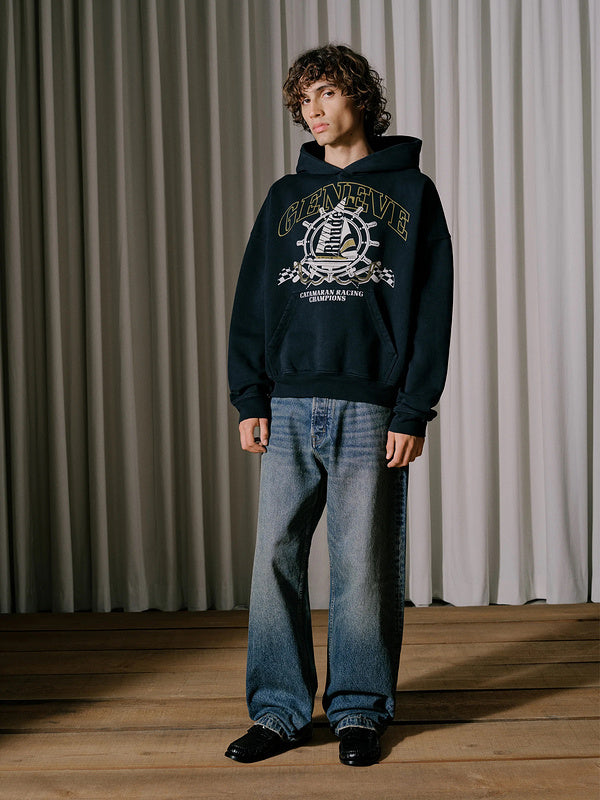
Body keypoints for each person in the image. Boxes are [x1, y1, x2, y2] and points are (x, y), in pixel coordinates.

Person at [226, 43, 453, 767]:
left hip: (371, 408)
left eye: (324, 92)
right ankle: (279, 713)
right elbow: (254, 302)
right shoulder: (284, 197)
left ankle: (358, 712)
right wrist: (250, 395)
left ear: (359, 96)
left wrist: (413, 409)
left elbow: (431, 310)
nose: (313, 110)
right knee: (276, 560)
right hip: (289, 402)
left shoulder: (413, 193)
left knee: (363, 567)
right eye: (303, 100)